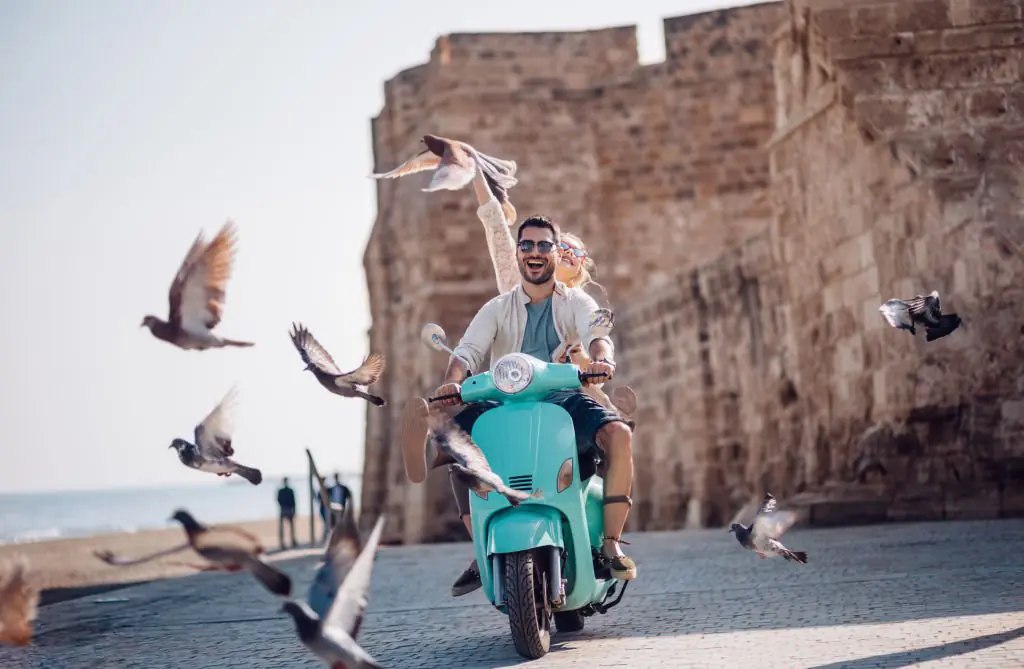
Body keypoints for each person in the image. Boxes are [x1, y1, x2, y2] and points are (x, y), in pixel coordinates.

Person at [401, 210, 637, 598]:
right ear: (517, 252)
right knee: (453, 441)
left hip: (564, 397)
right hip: (503, 402)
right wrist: (452, 382)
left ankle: (611, 543)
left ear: (556, 254)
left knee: (618, 434)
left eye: (545, 245)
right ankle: (481, 545)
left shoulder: (574, 299)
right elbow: (468, 350)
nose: (535, 252)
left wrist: (602, 358)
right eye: (526, 245)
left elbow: (597, 330)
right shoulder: (497, 308)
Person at [470, 170, 638, 424]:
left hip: (565, 405)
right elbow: (494, 223)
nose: (570, 253)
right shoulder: (514, 287)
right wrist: (473, 167)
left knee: (611, 435)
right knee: (459, 438)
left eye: (577, 252)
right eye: (563, 247)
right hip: (513, 397)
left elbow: (597, 342)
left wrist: (595, 361)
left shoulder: (579, 306)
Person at [276, 477, 297, 549]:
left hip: (287, 509)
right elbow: (278, 500)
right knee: (283, 527)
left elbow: (294, 501)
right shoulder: (281, 491)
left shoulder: (290, 490)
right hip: (284, 509)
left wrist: (294, 509)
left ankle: (292, 540)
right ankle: (282, 542)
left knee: (291, 526)